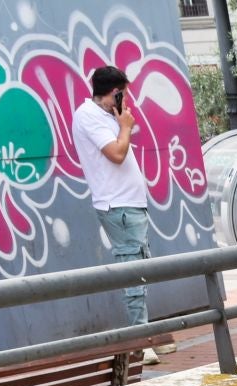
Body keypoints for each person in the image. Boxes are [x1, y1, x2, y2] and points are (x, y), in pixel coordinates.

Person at [71, 65, 167, 362]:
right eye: (122, 93)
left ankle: (145, 334)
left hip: (129, 203)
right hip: (118, 205)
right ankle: (141, 342)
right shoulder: (89, 116)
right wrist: (124, 126)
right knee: (133, 273)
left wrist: (119, 120)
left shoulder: (104, 115)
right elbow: (116, 154)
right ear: (115, 92)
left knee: (139, 269)